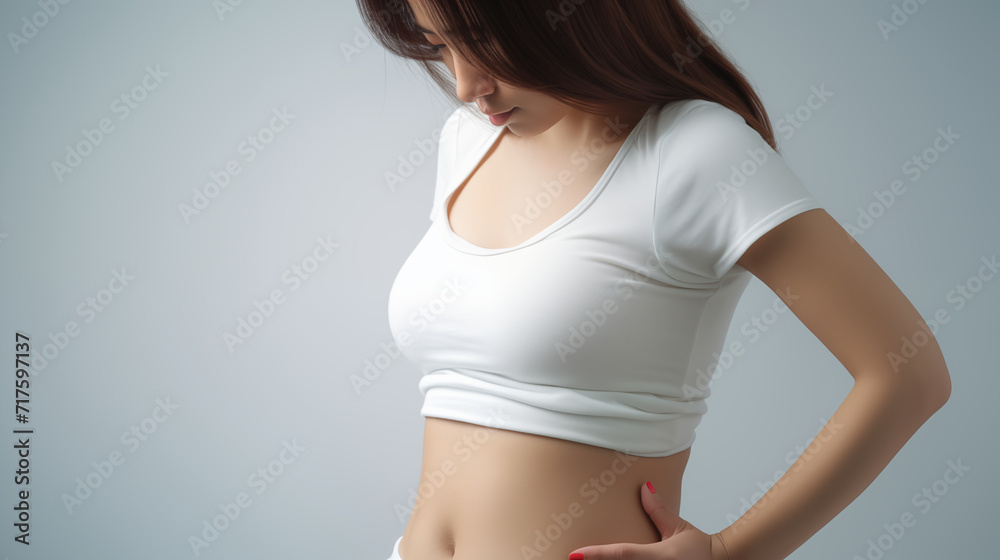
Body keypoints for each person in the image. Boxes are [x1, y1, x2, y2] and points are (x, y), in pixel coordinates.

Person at [358, 1, 952, 559]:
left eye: (485, 41)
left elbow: (908, 373)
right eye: (440, 46)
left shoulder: (696, 150)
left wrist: (731, 552)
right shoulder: (470, 138)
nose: (466, 85)